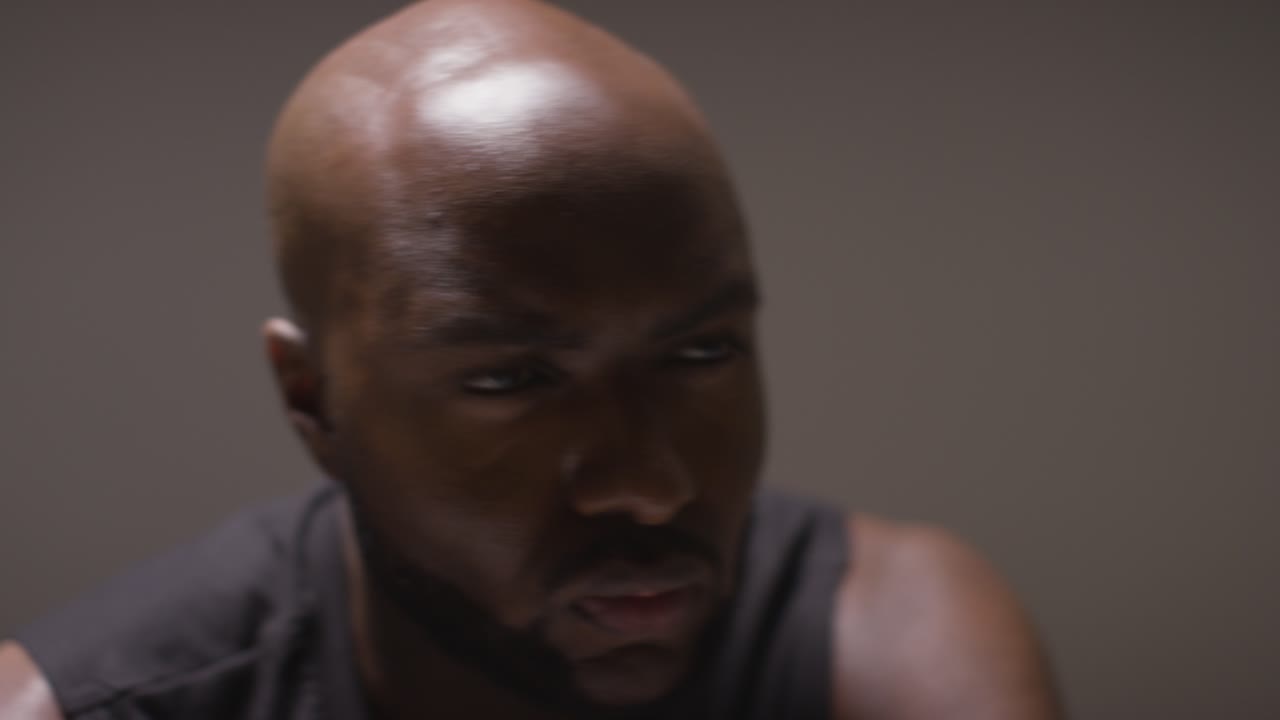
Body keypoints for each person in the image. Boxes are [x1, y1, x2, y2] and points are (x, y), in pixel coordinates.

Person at [0, 1, 1062, 718]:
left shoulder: (887, 655)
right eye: (511, 380)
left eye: (699, 352)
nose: (650, 484)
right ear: (312, 400)